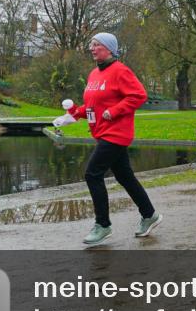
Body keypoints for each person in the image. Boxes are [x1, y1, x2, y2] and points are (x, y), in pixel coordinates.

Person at [57, 32, 161, 246]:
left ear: (109, 48)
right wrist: (74, 114)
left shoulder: (120, 71)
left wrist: (114, 111)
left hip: (116, 133)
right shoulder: (94, 74)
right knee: (125, 177)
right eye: (91, 45)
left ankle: (102, 225)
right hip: (102, 131)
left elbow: (138, 95)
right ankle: (149, 214)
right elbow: (93, 106)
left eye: (96, 45)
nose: (92, 48)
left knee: (92, 174)